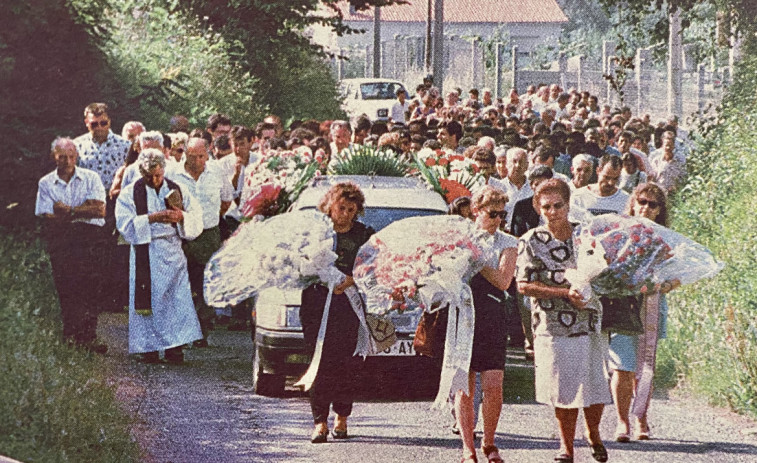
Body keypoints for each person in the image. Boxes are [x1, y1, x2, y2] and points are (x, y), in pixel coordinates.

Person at [517, 179, 611, 463]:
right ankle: (566, 447)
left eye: (558, 205)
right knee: (563, 388)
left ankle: (593, 433)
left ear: (569, 205)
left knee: (595, 385)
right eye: (546, 207)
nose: (553, 212)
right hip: (551, 324)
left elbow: (607, 272)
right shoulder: (530, 240)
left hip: (589, 320)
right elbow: (522, 285)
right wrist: (563, 293)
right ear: (538, 208)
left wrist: (591, 289)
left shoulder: (586, 236)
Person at [299, 182, 375, 444]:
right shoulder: (316, 232)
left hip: (347, 305)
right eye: (340, 208)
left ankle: (342, 416)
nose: (344, 214)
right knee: (319, 361)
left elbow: (373, 266)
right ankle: (319, 422)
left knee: (346, 363)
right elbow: (300, 263)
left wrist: (351, 280)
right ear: (330, 205)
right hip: (317, 303)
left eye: (351, 210)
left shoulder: (364, 235)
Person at [115, 149, 204, 364]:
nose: (155, 180)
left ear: (164, 170)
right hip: (146, 251)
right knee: (149, 301)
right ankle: (149, 348)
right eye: (149, 176)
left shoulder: (177, 189)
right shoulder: (129, 193)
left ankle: (175, 348)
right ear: (141, 172)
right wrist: (152, 218)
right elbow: (124, 224)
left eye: (158, 175)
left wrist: (181, 216)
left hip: (172, 250)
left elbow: (197, 217)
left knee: (176, 301)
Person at [611, 183, 680, 442]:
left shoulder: (667, 238)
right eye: (642, 201)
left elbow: (677, 275)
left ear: (660, 209)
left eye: (653, 204)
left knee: (646, 364)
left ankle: (641, 416)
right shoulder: (619, 231)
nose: (646, 207)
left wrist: (666, 285)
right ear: (632, 202)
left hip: (652, 305)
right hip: (623, 306)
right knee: (622, 366)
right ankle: (621, 421)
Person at [456, 186, 518, 463]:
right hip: (464, 314)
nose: (497, 220)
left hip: (493, 314)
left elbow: (504, 280)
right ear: (476, 212)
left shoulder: (507, 242)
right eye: (492, 214)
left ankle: (489, 442)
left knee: (493, 384)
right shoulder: (460, 237)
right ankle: (467, 448)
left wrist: (477, 258)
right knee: (465, 386)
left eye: (502, 215)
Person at [35, 137, 108, 353]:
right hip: (62, 239)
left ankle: (88, 337)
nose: (67, 161)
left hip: (90, 237)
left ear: (76, 156)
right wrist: (84, 207)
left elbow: (100, 210)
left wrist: (70, 211)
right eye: (61, 157)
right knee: (66, 287)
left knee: (89, 287)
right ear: (53, 157)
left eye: (70, 156)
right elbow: (48, 215)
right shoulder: (46, 183)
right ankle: (71, 338)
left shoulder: (91, 178)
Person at [168, 138, 233, 346]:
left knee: (206, 282)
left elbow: (226, 200)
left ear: (208, 154)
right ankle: (182, 331)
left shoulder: (216, 172)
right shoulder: (173, 174)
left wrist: (210, 218)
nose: (198, 161)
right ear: (185, 154)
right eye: (193, 156)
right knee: (181, 282)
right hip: (181, 234)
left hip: (208, 234)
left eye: (201, 156)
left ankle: (201, 330)